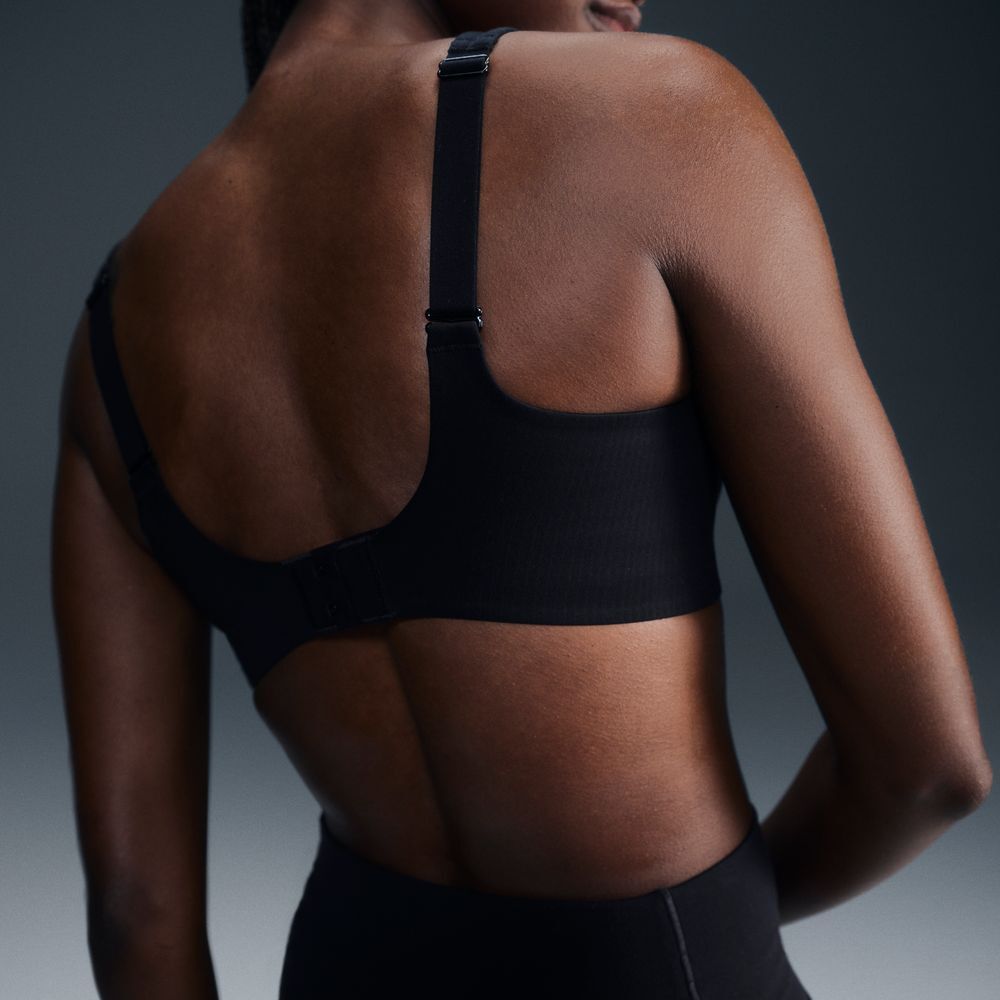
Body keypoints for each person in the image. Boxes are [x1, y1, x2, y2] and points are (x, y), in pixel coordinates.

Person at [51, 2, 992, 998]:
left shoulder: (110, 338)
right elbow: (927, 767)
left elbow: (136, 919)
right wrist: (708, 920)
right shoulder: (666, 117)